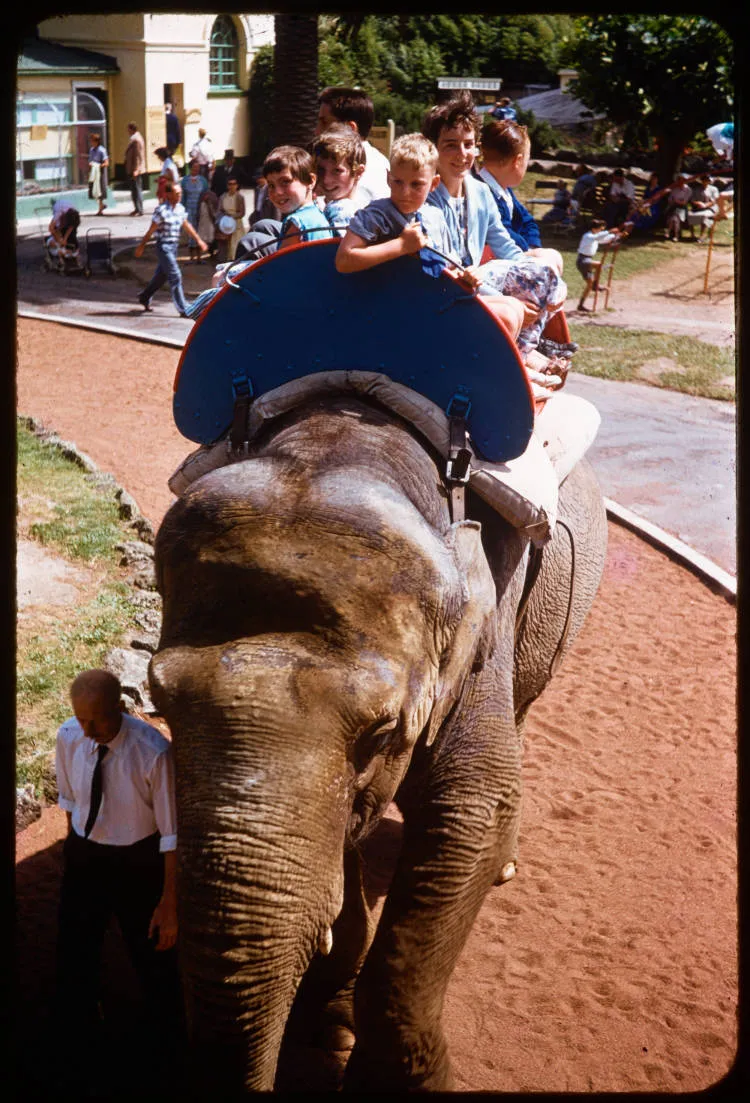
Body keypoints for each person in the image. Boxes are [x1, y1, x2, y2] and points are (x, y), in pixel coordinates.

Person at [335, 133, 562, 388]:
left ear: (433, 184)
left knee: (513, 306)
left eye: (416, 184)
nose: (405, 192)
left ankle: (510, 371)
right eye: (398, 182)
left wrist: (465, 277)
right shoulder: (377, 214)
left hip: (436, 297)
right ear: (388, 177)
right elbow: (344, 260)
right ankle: (484, 385)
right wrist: (399, 246)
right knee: (506, 316)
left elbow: (446, 263)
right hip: (404, 306)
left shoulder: (433, 215)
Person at [54, 670, 183, 1087]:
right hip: (86, 855)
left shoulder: (154, 754)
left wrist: (168, 902)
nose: (87, 730)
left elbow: (170, 835)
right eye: (81, 719)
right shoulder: (70, 735)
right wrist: (77, 851)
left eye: (96, 720)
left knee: (152, 957)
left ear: (119, 709)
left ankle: (167, 1054)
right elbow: (70, 800)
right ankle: (79, 1042)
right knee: (75, 949)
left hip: (138, 863)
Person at [422, 91, 569, 380]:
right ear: (433, 149)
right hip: (443, 289)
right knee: (512, 310)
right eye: (450, 145)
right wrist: (506, 299)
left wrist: (533, 277)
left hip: (474, 281)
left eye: (468, 145)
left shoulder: (478, 191)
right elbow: (447, 270)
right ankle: (516, 362)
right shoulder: (427, 200)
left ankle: (525, 350)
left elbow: (506, 246)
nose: (462, 154)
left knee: (546, 275)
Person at [232, 145, 332, 263]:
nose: (277, 192)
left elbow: (281, 268)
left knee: (248, 243)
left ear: (310, 181)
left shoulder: (296, 224)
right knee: (261, 225)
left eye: (285, 182)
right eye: (271, 185)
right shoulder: (313, 213)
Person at [134, 181, 207, 316]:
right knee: (175, 276)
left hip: (173, 247)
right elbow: (151, 230)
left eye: (180, 193)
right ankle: (184, 309)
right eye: (177, 193)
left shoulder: (180, 208)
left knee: (160, 277)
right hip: (164, 247)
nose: (180, 195)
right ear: (168, 194)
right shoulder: (161, 211)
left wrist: (199, 240)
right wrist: (141, 246)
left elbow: (186, 225)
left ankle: (144, 297)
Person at [315, 86, 391, 204]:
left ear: (350, 129)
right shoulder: (378, 160)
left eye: (324, 122)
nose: (317, 131)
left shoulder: (368, 170)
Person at [311, 123, 367, 236]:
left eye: (337, 171)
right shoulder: (329, 205)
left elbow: (336, 251)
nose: (326, 179)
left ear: (358, 172)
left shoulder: (342, 211)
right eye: (321, 169)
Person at [575, 218, 630, 311]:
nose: (601, 230)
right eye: (600, 229)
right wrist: (609, 231)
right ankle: (596, 285)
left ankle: (581, 305)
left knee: (589, 285)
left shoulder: (595, 237)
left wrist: (616, 236)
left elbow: (604, 239)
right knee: (599, 265)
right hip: (583, 260)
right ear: (594, 228)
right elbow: (599, 237)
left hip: (586, 260)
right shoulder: (588, 236)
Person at [214, 176, 247, 262]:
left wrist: (232, 216)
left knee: (236, 245)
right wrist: (224, 217)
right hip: (225, 223)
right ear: (227, 186)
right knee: (225, 245)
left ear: (237, 185)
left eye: (234, 184)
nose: (232, 186)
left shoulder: (240, 197)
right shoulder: (223, 196)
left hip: (236, 223)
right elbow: (219, 210)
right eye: (230, 184)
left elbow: (242, 212)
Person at [181, 159, 209, 262]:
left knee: (199, 232)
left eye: (198, 167)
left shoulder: (203, 180)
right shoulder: (184, 180)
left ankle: (199, 257)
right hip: (189, 209)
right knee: (191, 233)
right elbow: (183, 197)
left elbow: (206, 193)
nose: (196, 169)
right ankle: (191, 257)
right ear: (190, 168)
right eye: (194, 167)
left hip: (200, 209)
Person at [687, 173, 719, 244]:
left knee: (704, 216)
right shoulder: (696, 189)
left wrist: (705, 205)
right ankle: (692, 235)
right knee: (689, 214)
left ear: (709, 181)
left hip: (710, 208)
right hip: (698, 208)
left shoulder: (714, 189)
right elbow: (692, 200)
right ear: (702, 181)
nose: (706, 181)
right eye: (704, 180)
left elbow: (714, 201)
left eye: (707, 180)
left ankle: (701, 236)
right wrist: (698, 203)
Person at [124, 121, 146, 217]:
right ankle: (137, 208)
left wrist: (136, 169)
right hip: (132, 168)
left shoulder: (136, 140)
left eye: (128, 129)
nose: (127, 131)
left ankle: (139, 209)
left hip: (134, 169)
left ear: (132, 129)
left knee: (136, 189)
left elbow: (138, 155)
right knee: (134, 189)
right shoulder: (136, 138)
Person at [663, 173, 694, 242]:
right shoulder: (674, 188)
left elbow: (684, 202)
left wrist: (676, 200)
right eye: (679, 179)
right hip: (673, 207)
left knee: (675, 217)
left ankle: (669, 232)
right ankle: (675, 236)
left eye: (682, 180)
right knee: (675, 218)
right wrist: (676, 201)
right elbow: (670, 199)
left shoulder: (688, 190)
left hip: (682, 208)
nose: (680, 181)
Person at [88, 132, 109, 215]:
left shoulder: (102, 150)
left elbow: (106, 162)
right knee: (94, 189)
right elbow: (90, 160)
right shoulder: (91, 150)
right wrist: (91, 164)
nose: (91, 143)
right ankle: (101, 205)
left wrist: (99, 166)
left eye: (93, 141)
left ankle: (100, 208)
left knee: (99, 189)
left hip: (100, 172)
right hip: (93, 171)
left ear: (97, 141)